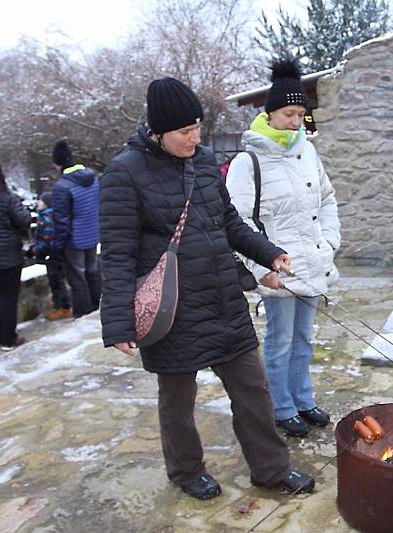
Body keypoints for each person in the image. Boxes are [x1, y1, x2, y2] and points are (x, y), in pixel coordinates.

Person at [99, 77, 315, 500]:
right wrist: (118, 321)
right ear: (158, 130)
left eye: (198, 127)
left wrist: (269, 252)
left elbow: (229, 222)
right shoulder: (123, 173)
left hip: (221, 297)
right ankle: (185, 470)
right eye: (185, 131)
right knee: (177, 400)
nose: (195, 138)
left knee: (253, 391)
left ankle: (271, 469)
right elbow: (117, 253)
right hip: (172, 308)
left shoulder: (203, 161)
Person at [226, 57, 340, 438]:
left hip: (312, 262)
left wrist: (330, 240)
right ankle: (282, 406)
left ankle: (304, 400)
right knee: (280, 341)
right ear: (270, 114)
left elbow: (327, 198)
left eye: (299, 115)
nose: (295, 122)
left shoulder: (308, 152)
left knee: (305, 339)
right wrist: (261, 270)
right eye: (288, 114)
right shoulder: (249, 161)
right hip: (277, 270)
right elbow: (236, 222)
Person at [0, 158, 32, 350]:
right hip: (7, 256)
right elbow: (24, 220)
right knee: (7, 297)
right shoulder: (7, 197)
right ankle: (8, 338)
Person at [50, 140, 101, 318]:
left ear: (57, 164)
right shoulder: (93, 179)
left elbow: (61, 221)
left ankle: (83, 312)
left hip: (75, 239)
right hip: (93, 234)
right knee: (93, 272)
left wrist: (56, 246)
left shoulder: (62, 187)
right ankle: (99, 305)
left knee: (77, 277)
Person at [32, 191, 72, 320]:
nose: (38, 203)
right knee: (58, 281)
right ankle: (62, 307)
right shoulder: (53, 215)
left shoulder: (46, 217)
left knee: (56, 282)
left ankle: (63, 308)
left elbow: (47, 238)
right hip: (57, 254)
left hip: (51, 255)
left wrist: (37, 251)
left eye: (40, 200)